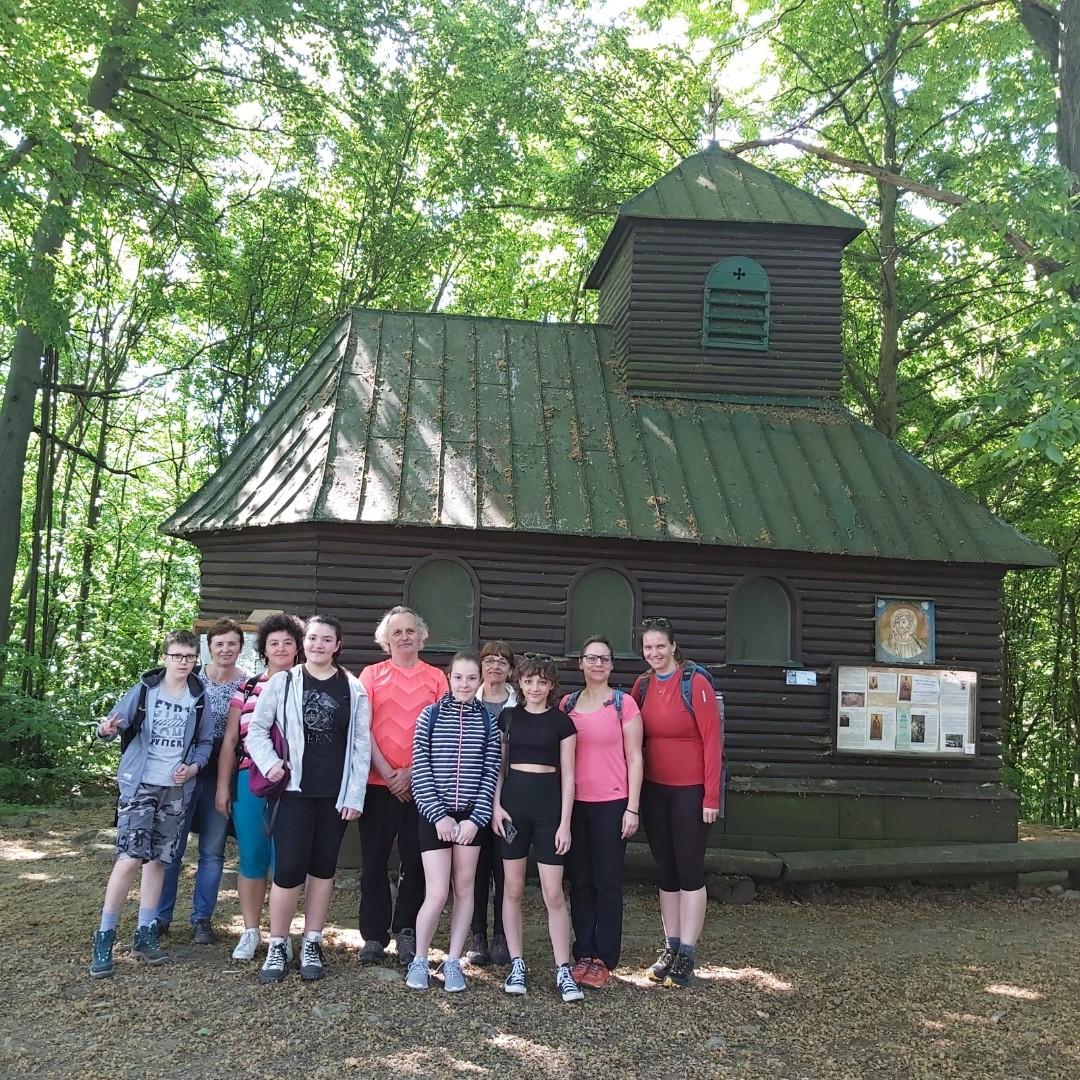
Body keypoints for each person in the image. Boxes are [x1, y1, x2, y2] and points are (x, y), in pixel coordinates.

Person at [246, 614, 371, 983]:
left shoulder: (353, 688)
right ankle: (278, 943)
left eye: (326, 639)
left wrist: (355, 794)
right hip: (293, 792)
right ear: (306, 644)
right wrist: (270, 765)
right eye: (313, 638)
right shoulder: (283, 682)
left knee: (323, 868)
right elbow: (257, 730)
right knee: (288, 870)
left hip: (333, 794)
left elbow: (361, 745)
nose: (318, 644)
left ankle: (311, 941)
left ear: (337, 645)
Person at [89, 631, 213, 977]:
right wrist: (106, 730)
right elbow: (114, 725)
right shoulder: (145, 690)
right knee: (129, 858)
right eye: (177, 656)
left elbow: (205, 743)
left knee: (159, 860)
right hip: (139, 784)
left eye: (189, 657)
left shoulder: (199, 697)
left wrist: (193, 767)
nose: (183, 663)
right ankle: (105, 934)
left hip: (175, 791)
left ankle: (145, 932)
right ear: (166, 657)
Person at [404, 652, 501, 993]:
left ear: (480, 682)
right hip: (435, 816)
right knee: (436, 891)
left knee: (465, 889)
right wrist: (439, 815)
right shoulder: (429, 717)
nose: (464, 684)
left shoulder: (488, 722)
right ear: (449, 678)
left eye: (471, 678)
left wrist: (476, 819)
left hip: (470, 820)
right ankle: (419, 959)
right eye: (458, 677)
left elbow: (491, 771)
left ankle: (453, 960)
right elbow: (421, 770)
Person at [357, 606, 448, 966]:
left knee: (417, 861)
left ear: (421, 636)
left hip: (422, 787)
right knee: (374, 862)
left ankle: (407, 930)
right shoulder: (371, 674)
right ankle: (374, 936)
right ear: (386, 639)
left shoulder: (437, 678)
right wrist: (388, 772)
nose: (405, 637)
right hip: (377, 785)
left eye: (411, 630)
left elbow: (442, 732)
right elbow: (362, 727)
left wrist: (410, 773)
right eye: (397, 632)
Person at [632, 617, 721, 989]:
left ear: (673, 646)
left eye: (660, 646)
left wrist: (711, 796)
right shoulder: (642, 686)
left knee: (689, 871)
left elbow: (713, 741)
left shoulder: (694, 682)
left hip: (691, 792)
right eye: (648, 647)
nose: (654, 653)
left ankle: (688, 949)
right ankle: (669, 946)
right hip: (655, 790)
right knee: (666, 871)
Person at [492, 653, 584, 1003]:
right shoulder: (508, 717)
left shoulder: (563, 723)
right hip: (513, 809)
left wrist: (565, 824)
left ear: (551, 686)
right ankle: (517, 962)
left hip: (549, 811)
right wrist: (497, 805)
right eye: (529, 681)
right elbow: (499, 767)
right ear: (521, 683)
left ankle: (563, 968)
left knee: (553, 893)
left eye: (541, 682)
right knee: (512, 890)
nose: (534, 688)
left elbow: (569, 776)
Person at [214, 613, 304, 960]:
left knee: (289, 861)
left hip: (295, 785)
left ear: (297, 647)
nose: (281, 648)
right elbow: (231, 740)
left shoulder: (308, 684)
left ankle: (282, 932)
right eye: (273, 643)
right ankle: (250, 930)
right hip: (249, 779)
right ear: (264, 649)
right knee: (252, 856)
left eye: (287, 642)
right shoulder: (247, 687)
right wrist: (223, 787)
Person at [157, 618, 247, 943]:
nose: (225, 649)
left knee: (212, 849)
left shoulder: (247, 685)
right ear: (209, 648)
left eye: (231, 643)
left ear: (240, 647)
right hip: (184, 771)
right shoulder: (193, 680)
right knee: (172, 847)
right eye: (219, 644)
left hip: (221, 774)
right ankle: (159, 917)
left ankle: (201, 920)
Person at [561, 636, 643, 989]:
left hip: (613, 803)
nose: (597, 664)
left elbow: (636, 758)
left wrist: (633, 808)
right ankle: (584, 952)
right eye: (591, 658)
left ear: (612, 665)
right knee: (579, 882)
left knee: (607, 883)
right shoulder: (566, 704)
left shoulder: (624, 705)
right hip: (575, 805)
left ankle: (605, 957)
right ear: (580, 663)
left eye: (604, 659)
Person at [467, 639, 517, 967]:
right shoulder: (467, 699)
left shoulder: (521, 703)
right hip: (471, 795)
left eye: (502, 661)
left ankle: (502, 934)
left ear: (510, 669)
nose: (495, 665)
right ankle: (477, 934)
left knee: (505, 867)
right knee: (474, 868)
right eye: (489, 660)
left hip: (510, 797)